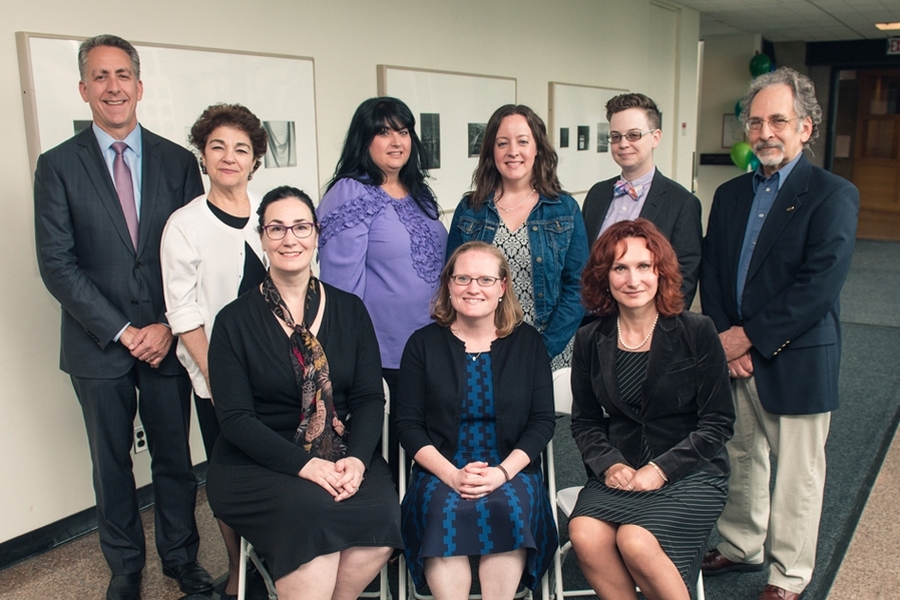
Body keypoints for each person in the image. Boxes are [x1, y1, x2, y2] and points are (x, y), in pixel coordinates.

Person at [33, 34, 211, 600]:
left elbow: (191, 253)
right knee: (111, 463)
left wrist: (165, 323)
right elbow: (57, 265)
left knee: (174, 458)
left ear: (139, 85)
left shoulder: (179, 162)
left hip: (165, 337)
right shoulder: (57, 166)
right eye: (100, 77)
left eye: (122, 75)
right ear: (84, 89)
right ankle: (125, 568)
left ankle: (182, 560)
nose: (113, 87)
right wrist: (124, 330)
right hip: (97, 344)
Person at [699, 67, 859, 600]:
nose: (765, 132)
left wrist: (749, 339)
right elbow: (714, 274)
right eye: (756, 121)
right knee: (739, 457)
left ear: (805, 128)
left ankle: (788, 574)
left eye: (778, 121)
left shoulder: (833, 195)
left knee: (797, 476)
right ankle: (742, 543)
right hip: (734, 355)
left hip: (796, 356)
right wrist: (725, 336)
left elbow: (818, 286)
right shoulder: (728, 196)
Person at [206, 186, 402, 600]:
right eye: (276, 228)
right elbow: (236, 419)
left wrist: (357, 460)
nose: (289, 239)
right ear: (261, 237)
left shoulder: (350, 310)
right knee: (312, 513)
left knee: (385, 518)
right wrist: (304, 466)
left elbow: (369, 398)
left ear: (316, 234)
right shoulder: (233, 322)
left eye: (300, 227)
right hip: (260, 460)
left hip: (342, 452)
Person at [568, 219, 734, 600]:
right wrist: (610, 464)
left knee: (635, 541)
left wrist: (660, 470)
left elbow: (718, 423)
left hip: (689, 471)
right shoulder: (591, 338)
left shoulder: (697, 330)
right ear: (604, 277)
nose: (633, 279)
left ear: (660, 272)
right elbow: (586, 422)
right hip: (620, 469)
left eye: (644, 266)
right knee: (585, 534)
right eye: (619, 268)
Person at [397, 241, 558, 600]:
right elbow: (407, 424)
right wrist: (452, 475)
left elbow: (542, 422)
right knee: (441, 510)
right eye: (463, 278)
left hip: (511, 466)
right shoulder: (421, 345)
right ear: (448, 285)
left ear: (502, 287)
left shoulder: (528, 343)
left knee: (508, 507)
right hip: (440, 467)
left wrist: (502, 473)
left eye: (485, 279)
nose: (473, 288)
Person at [160, 103, 268, 599]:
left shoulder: (274, 215)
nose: (229, 157)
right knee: (232, 481)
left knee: (281, 470)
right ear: (203, 155)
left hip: (282, 375)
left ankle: (282, 563)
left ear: (255, 158)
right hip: (220, 383)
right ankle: (239, 577)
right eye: (218, 147)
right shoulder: (184, 225)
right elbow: (184, 316)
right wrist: (220, 381)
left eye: (241, 148)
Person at [317, 96, 447, 483]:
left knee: (430, 449)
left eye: (403, 131)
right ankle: (389, 536)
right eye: (383, 132)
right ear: (364, 139)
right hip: (383, 352)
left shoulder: (418, 192)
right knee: (389, 456)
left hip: (431, 341)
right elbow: (340, 288)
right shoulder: (350, 192)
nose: (396, 141)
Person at [446, 104, 588, 370]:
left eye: (523, 141)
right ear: (491, 151)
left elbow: (579, 288)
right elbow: (452, 282)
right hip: (479, 348)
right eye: (502, 143)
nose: (513, 151)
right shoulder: (470, 210)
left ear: (537, 149)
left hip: (550, 350)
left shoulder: (564, 209)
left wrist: (542, 350)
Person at [581, 93, 701, 308]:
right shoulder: (597, 195)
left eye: (633, 135)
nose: (623, 144)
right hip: (592, 323)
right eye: (615, 137)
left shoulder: (682, 203)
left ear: (655, 137)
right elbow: (583, 264)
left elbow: (683, 281)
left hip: (648, 327)